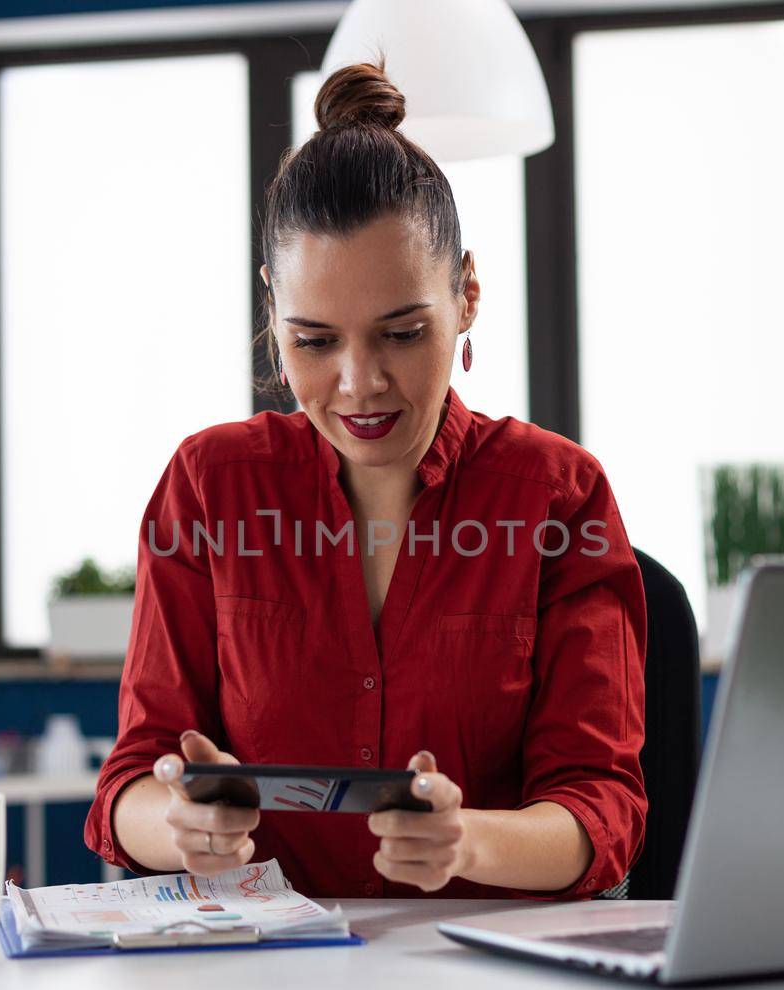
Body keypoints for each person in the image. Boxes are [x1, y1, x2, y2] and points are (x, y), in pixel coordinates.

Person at [85, 61, 646, 899]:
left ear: (467, 295)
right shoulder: (209, 486)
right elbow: (129, 781)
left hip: (487, 983)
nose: (359, 384)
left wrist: (468, 843)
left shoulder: (559, 495)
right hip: (265, 983)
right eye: (314, 341)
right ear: (273, 311)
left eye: (401, 333)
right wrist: (176, 821)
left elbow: (601, 808)